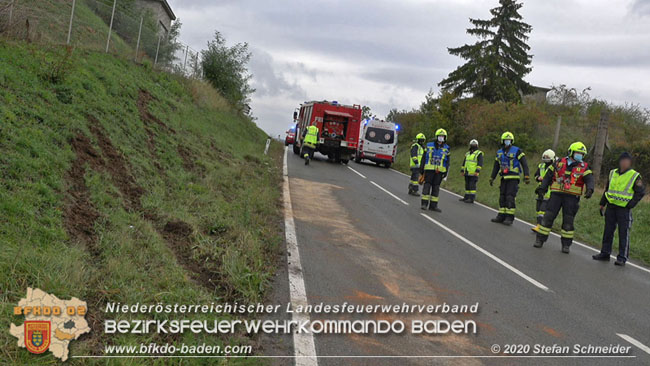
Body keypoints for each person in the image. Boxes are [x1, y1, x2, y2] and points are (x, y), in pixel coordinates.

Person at [534, 142, 594, 253]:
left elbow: (589, 179)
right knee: (548, 217)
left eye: (581, 154)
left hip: (572, 198)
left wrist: (590, 189)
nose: (579, 155)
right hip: (556, 195)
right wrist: (542, 188)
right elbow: (548, 176)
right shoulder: (559, 163)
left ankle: (566, 245)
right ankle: (540, 239)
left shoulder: (584, 167)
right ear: (571, 152)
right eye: (577, 153)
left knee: (568, 222)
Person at [593, 152, 645, 266]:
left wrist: (630, 204)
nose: (624, 163)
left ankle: (622, 257)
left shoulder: (634, 176)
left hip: (624, 209)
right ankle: (605, 253)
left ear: (630, 162)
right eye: (623, 160)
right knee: (608, 231)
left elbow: (640, 192)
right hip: (611, 207)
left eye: (627, 161)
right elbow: (608, 189)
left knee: (623, 233)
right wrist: (602, 203)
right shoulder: (612, 173)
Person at [489, 132, 530, 225]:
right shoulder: (499, 152)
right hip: (504, 177)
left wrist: (526, 175)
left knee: (510, 197)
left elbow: (524, 163)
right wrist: (492, 177)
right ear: (502, 141)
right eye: (506, 140)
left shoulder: (517, 150)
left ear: (512, 141)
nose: (508, 142)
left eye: (509, 140)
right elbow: (496, 166)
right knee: (502, 196)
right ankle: (501, 215)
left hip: (513, 178)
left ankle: (509, 217)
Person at [420, 129, 450, 212]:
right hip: (429, 170)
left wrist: (446, 172)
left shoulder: (447, 148)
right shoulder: (429, 145)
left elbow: (447, 161)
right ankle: (424, 204)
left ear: (445, 138)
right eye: (440, 136)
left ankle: (433, 206)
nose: (441, 138)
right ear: (436, 137)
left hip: (439, 172)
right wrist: (421, 169)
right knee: (427, 185)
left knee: (436, 188)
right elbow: (423, 157)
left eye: (443, 136)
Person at [532, 149, 555, 232]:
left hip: (548, 192)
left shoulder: (554, 167)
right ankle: (540, 224)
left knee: (542, 209)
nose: (546, 159)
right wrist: (538, 178)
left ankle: (540, 225)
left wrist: (546, 180)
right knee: (538, 209)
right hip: (540, 191)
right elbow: (536, 175)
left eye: (547, 158)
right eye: (544, 157)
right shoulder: (541, 166)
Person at [459, 139, 483, 203]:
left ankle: (471, 198)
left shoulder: (479, 153)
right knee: (467, 185)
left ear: (477, 145)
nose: (473, 145)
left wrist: (477, 171)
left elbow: (480, 163)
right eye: (472, 144)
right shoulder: (467, 153)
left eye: (474, 144)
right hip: (467, 172)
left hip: (473, 173)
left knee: (472, 185)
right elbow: (464, 162)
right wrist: (462, 170)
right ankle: (466, 197)